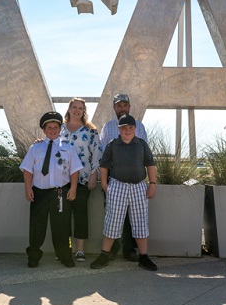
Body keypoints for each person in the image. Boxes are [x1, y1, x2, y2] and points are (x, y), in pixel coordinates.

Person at [90, 114, 158, 271]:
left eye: (130, 128)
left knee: (140, 222)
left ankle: (144, 257)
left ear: (135, 129)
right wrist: (105, 185)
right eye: (124, 128)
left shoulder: (141, 144)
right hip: (117, 186)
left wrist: (152, 184)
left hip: (139, 187)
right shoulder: (113, 145)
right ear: (119, 129)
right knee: (113, 221)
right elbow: (104, 165)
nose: (127, 131)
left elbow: (150, 164)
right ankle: (104, 255)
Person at [20, 111, 83, 268]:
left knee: (62, 227)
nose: (53, 130)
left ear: (60, 128)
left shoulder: (68, 148)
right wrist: (28, 188)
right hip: (39, 192)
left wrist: (73, 188)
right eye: (49, 127)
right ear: (44, 129)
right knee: (37, 226)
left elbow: (74, 170)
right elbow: (27, 170)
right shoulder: (35, 148)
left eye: (56, 127)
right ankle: (33, 256)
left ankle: (65, 256)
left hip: (60, 193)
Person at [99, 93, 147, 261]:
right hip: (114, 179)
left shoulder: (139, 126)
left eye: (125, 105)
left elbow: (144, 152)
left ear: (129, 107)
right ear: (114, 108)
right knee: (112, 214)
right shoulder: (108, 127)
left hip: (134, 181)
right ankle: (112, 249)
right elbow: (103, 153)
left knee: (132, 216)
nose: (122, 108)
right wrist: (104, 182)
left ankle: (129, 249)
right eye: (119, 106)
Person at [60, 98, 102, 261]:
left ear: (84, 111)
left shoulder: (90, 132)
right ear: (69, 109)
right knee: (62, 215)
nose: (77, 110)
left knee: (80, 214)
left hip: (83, 179)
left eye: (80, 108)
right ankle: (65, 248)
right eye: (74, 107)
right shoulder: (60, 129)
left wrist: (94, 175)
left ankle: (79, 250)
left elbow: (97, 154)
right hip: (61, 179)